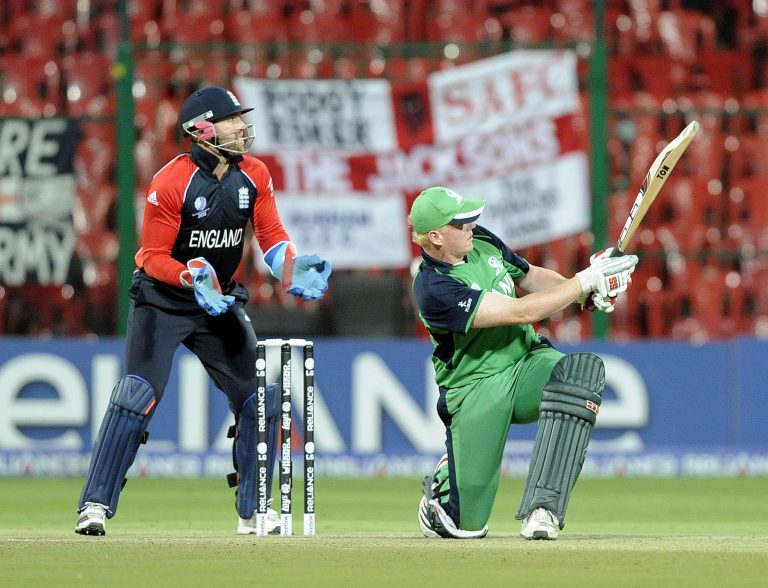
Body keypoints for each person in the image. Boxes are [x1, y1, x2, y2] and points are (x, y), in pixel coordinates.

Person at [75, 86, 331, 536]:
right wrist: (192, 280)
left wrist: (289, 269)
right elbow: (153, 256)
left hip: (221, 301)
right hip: (164, 299)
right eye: (232, 119)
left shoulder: (255, 174)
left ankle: (253, 509)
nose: (240, 127)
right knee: (137, 395)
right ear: (202, 130)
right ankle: (94, 505)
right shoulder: (170, 182)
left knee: (260, 399)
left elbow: (271, 237)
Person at [410, 186, 637, 540]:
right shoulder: (434, 288)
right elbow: (521, 310)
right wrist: (584, 281)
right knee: (466, 528)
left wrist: (587, 293)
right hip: (475, 389)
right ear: (436, 236)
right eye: (461, 223)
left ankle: (543, 508)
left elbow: (529, 277)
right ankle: (446, 486)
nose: (471, 224)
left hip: (525, 362)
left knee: (580, 373)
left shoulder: (480, 240)